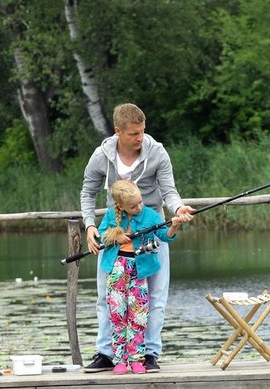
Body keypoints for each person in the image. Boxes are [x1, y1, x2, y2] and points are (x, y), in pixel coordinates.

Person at [81, 103, 195, 372]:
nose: (139, 138)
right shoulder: (101, 156)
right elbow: (87, 191)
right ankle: (106, 353)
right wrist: (89, 226)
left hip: (151, 231)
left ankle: (149, 353)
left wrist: (178, 209)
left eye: (142, 131)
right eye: (133, 133)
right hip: (115, 234)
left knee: (155, 297)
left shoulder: (157, 152)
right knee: (106, 297)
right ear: (117, 131)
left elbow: (169, 191)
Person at [99, 180, 186, 374]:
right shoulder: (111, 215)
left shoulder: (150, 215)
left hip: (139, 272)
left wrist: (174, 227)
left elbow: (164, 236)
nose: (139, 207)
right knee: (117, 314)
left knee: (138, 315)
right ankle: (119, 359)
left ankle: (137, 358)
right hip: (116, 270)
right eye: (133, 205)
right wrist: (116, 236)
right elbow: (101, 235)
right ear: (121, 207)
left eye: (140, 202)